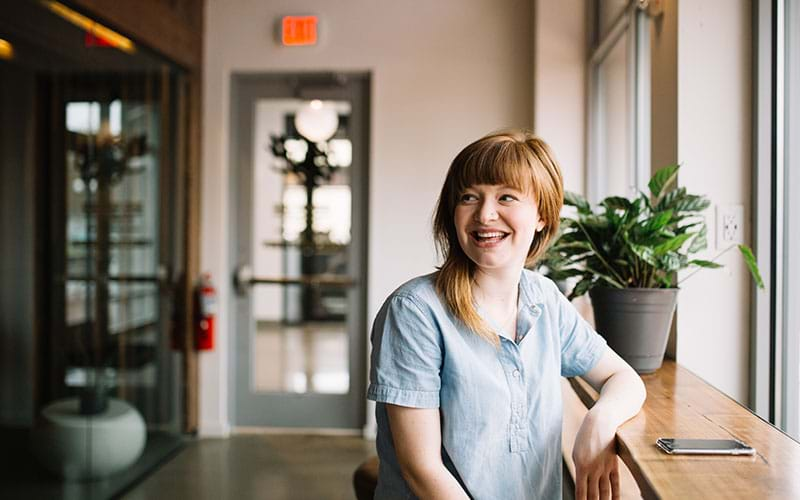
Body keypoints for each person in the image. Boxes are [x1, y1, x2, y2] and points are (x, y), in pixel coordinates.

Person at [366, 130, 646, 500]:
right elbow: (422, 470)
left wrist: (599, 422)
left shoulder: (544, 297)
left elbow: (623, 377)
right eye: (469, 197)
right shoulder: (414, 311)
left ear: (543, 215)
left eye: (506, 197)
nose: (485, 214)